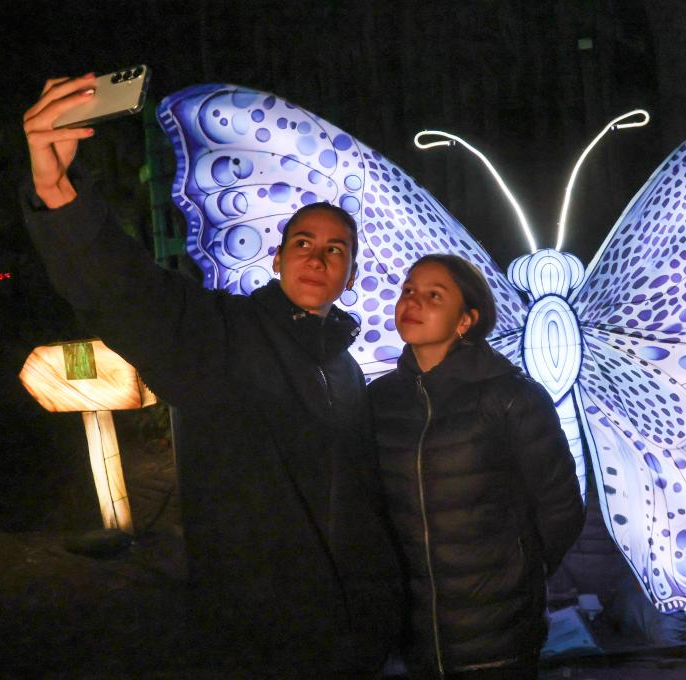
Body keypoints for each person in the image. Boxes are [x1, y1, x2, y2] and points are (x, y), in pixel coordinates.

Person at [20, 74, 401, 676]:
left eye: (336, 249)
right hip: (263, 638)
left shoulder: (346, 368)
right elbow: (130, 293)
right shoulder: (224, 335)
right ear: (276, 260)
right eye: (303, 241)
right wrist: (59, 192)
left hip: (349, 634)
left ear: (349, 276)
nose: (317, 256)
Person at [368, 254, 585, 678]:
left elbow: (561, 509)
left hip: (498, 641)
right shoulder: (380, 401)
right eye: (408, 290)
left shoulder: (510, 398)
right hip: (416, 640)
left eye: (434, 295)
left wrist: (520, 578)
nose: (413, 302)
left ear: (466, 320)